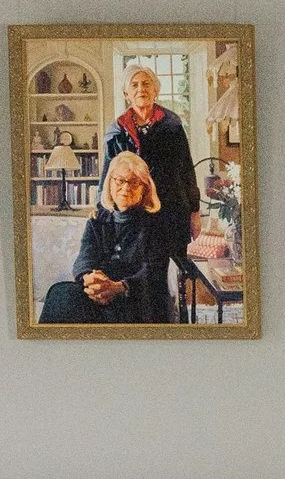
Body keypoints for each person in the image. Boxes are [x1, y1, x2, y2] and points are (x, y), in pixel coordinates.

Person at [102, 60, 199, 316]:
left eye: (146, 84)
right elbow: (108, 173)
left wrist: (194, 211)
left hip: (171, 211)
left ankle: (177, 324)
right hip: (136, 215)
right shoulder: (116, 130)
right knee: (143, 272)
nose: (140, 89)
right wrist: (101, 210)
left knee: (175, 273)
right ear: (126, 93)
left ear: (156, 90)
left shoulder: (172, 125)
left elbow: (186, 169)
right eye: (134, 85)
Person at [38, 153, 170, 325]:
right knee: (61, 294)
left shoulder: (156, 223)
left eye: (135, 182)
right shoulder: (97, 220)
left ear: (145, 189)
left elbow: (154, 271)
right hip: (98, 293)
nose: (126, 188)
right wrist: (89, 278)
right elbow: (84, 259)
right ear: (109, 182)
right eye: (120, 180)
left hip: (134, 296)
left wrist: (119, 287)